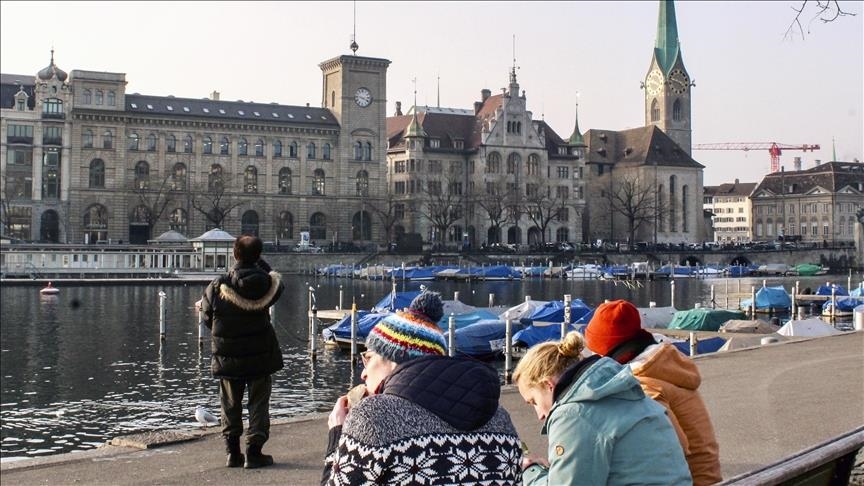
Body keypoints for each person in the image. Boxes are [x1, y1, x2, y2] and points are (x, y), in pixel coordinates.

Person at [322, 291, 523, 485]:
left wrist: (337, 438)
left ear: (394, 360)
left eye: (368, 357)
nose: (363, 373)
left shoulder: (372, 417)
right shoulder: (500, 419)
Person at [514, 331, 692, 485]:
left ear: (548, 385)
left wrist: (530, 471)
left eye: (534, 402)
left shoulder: (574, 414)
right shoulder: (629, 394)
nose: (539, 415)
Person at [584, 299, 721, 485]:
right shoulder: (663, 368)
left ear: (607, 353)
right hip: (706, 477)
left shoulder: (643, 385)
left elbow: (667, 446)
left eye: (595, 353)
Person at [200, 235, 284, 469]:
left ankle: (233, 453)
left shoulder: (219, 285)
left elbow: (207, 317)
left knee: (229, 403)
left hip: (228, 354)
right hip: (259, 353)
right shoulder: (268, 284)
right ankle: (254, 453)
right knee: (258, 404)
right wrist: (258, 262)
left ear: (235, 255)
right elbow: (275, 279)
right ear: (258, 256)